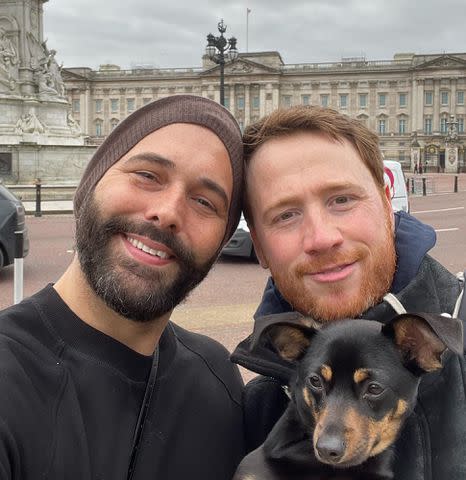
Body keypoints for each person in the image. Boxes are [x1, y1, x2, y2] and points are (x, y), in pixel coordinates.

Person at [0, 95, 246, 479]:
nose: (167, 212)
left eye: (204, 201)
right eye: (148, 175)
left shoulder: (219, 378)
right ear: (92, 183)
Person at [231, 105, 466, 479]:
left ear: (388, 202)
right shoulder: (252, 403)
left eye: (342, 199)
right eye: (286, 214)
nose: (322, 238)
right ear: (258, 244)